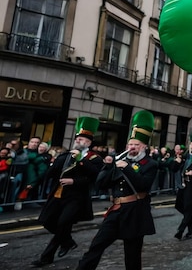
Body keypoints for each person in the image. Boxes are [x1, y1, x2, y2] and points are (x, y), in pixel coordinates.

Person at [76, 110, 158, 270]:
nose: (132, 148)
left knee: (132, 254)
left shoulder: (150, 164)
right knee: (96, 245)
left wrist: (127, 168)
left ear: (144, 147)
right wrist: (107, 166)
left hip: (135, 212)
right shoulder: (120, 160)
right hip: (116, 210)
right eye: (131, 144)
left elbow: (143, 185)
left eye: (136, 145)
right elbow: (101, 184)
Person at [31, 117, 103, 267]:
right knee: (47, 222)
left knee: (63, 223)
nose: (79, 141)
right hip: (58, 194)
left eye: (83, 140)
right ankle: (68, 242)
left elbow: (94, 176)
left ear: (89, 143)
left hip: (76, 198)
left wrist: (74, 179)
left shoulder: (94, 158)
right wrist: (33, 183)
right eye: (78, 139)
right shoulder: (65, 155)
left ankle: (46, 257)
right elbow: (51, 173)